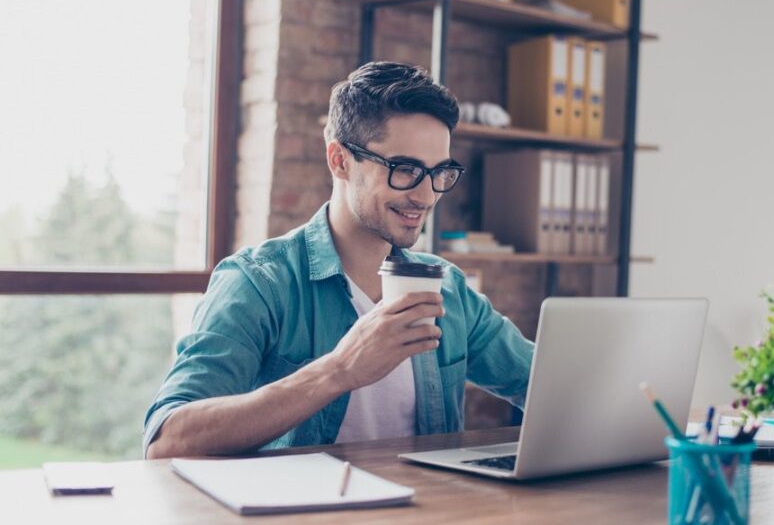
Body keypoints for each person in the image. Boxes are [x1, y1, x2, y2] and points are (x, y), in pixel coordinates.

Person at [144, 62, 534, 459]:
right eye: (406, 170)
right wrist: (338, 370)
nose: (426, 195)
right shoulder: (259, 283)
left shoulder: (448, 288)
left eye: (440, 173)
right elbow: (168, 440)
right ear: (340, 160)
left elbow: (544, 383)